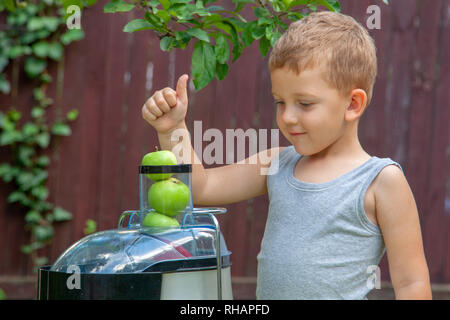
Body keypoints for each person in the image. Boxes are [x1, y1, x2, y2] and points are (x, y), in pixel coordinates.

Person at [142, 11, 431, 300]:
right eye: (280, 102)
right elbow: (202, 188)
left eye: (304, 103)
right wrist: (174, 130)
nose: (288, 117)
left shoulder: (380, 181)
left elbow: (412, 284)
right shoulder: (277, 163)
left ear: (353, 104)